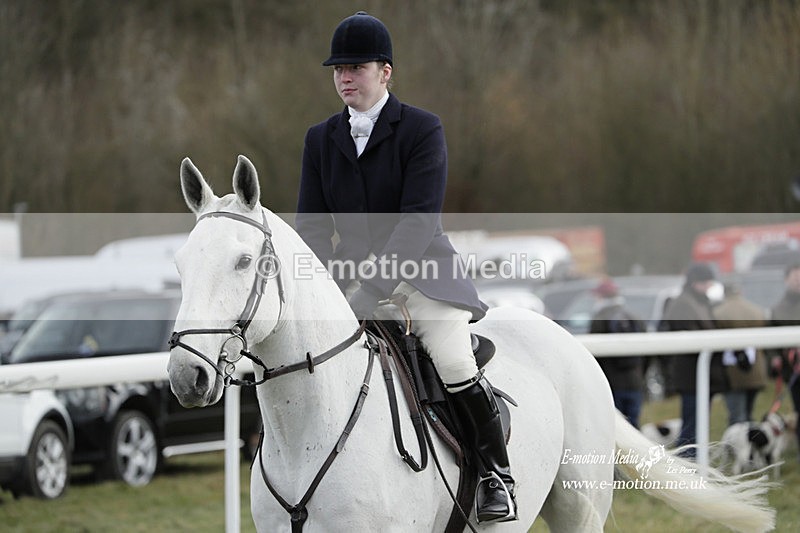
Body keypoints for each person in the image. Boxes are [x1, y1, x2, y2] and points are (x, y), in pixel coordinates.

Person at [295, 12, 516, 523]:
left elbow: (417, 224)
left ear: (386, 72)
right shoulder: (319, 139)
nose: (345, 77)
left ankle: (492, 473)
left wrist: (371, 286)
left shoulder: (421, 128)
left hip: (420, 279)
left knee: (456, 364)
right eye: (338, 69)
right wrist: (325, 290)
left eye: (357, 67)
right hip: (349, 287)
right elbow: (310, 228)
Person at [660, 262, 729, 457]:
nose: (708, 286)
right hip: (691, 374)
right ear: (695, 282)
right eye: (705, 282)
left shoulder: (697, 301)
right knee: (692, 425)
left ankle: (693, 462)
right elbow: (690, 337)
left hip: (700, 372)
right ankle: (687, 465)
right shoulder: (684, 303)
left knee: (698, 423)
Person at [589, 278, 646, 428]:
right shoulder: (635, 316)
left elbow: (593, 356)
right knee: (634, 429)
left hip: (611, 384)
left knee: (614, 429)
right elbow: (646, 352)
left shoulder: (599, 319)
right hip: (635, 382)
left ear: (601, 297)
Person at [713, 283, 768, 426]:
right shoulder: (756, 310)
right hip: (756, 370)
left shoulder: (718, 313)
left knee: (737, 418)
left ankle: (739, 447)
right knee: (749, 415)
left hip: (732, 373)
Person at [768, 262, 800, 452]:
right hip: (793, 372)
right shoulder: (778, 309)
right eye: (795, 278)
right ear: (786, 280)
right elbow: (772, 339)